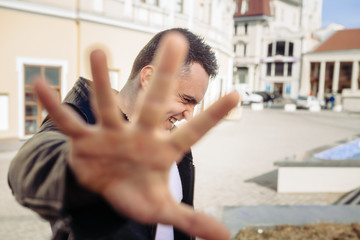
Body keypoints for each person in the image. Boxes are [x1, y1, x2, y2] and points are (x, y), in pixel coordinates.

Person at [8, 28, 239, 240]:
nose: (189, 115)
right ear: (149, 78)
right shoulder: (83, 124)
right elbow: (27, 165)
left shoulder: (175, 142)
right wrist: (76, 170)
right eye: (186, 100)